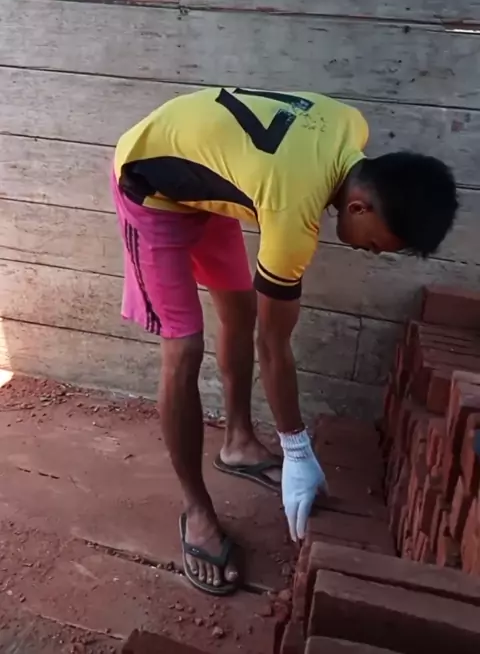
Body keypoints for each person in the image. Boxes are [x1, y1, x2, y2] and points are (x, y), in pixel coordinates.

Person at [112, 86, 457, 595]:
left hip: (206, 176)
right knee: (183, 349)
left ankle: (238, 443)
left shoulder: (349, 124)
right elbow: (273, 348)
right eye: (375, 246)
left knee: (240, 310)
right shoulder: (294, 215)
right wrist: (298, 450)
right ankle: (196, 510)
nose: (370, 253)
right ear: (358, 206)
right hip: (150, 183)